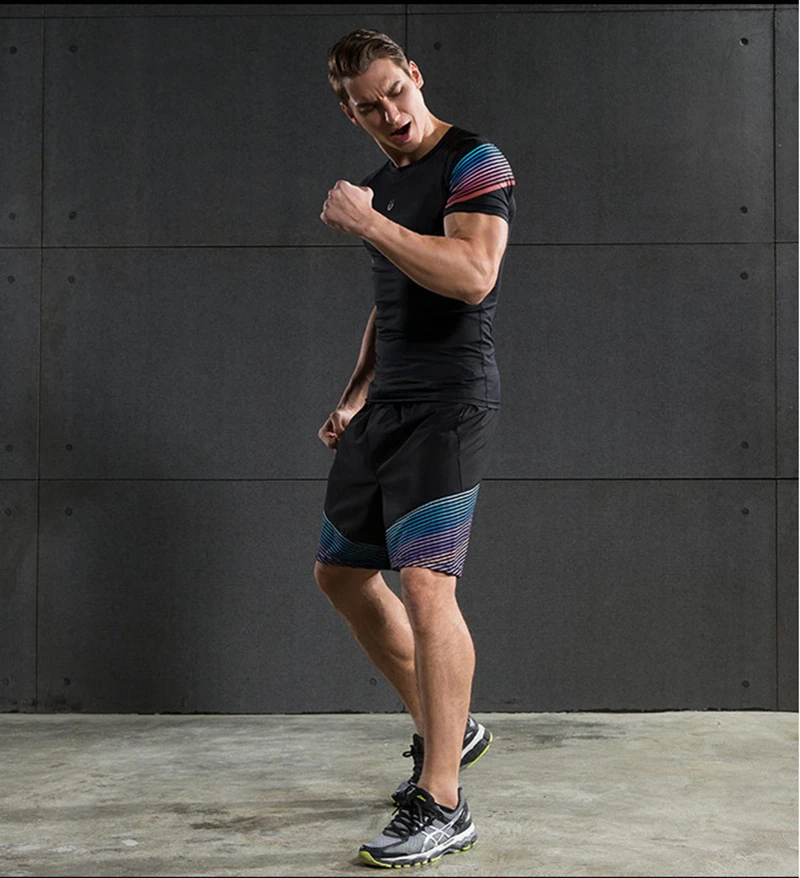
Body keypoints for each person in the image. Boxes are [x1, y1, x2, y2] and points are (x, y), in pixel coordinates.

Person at [313, 28, 516, 869]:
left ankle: (443, 801)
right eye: (369, 107)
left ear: (416, 76)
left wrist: (368, 222)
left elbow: (471, 274)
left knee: (427, 585)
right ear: (350, 114)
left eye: (396, 91)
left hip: (449, 403)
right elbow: (392, 294)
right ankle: (450, 727)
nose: (390, 114)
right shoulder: (383, 186)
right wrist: (355, 391)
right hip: (389, 405)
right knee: (339, 573)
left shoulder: (473, 161)